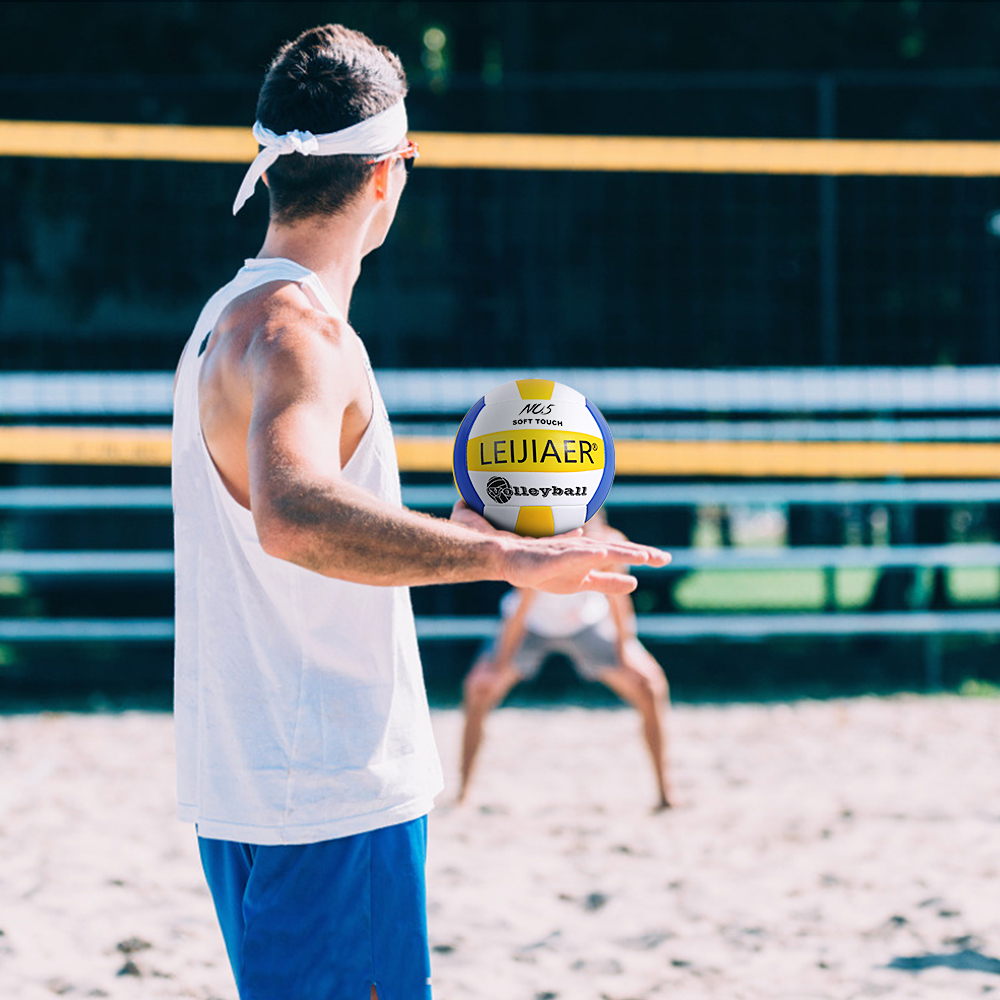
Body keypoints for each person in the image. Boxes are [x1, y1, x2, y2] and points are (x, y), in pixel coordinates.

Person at [171, 23, 669, 1000]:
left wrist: (463, 532)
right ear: (391, 173)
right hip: (325, 793)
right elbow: (294, 515)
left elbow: (298, 520)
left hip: (258, 782)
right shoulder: (295, 333)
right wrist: (508, 562)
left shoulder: (230, 319)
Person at [459, 510, 674, 811]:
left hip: (586, 623)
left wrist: (625, 652)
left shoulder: (608, 542)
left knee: (649, 685)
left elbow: (618, 598)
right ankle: (463, 794)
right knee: (479, 687)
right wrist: (500, 663)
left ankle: (666, 795)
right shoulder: (539, 536)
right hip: (530, 625)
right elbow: (522, 606)